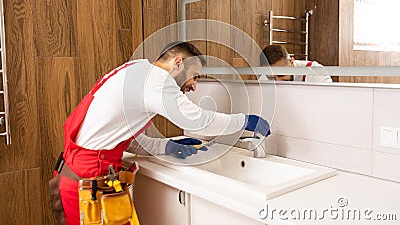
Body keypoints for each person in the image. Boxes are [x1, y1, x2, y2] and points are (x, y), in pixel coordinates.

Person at [55, 41, 271, 224]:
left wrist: (167, 146)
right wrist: (243, 121)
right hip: (89, 182)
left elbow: (124, 139)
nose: (194, 86)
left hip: (76, 174)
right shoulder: (155, 80)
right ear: (178, 63)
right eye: (195, 76)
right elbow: (197, 121)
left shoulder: (136, 70)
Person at [259, 44, 332, 83]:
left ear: (291, 62)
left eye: (281, 74)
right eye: (271, 78)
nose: (277, 81)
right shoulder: (263, 78)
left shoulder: (316, 72)